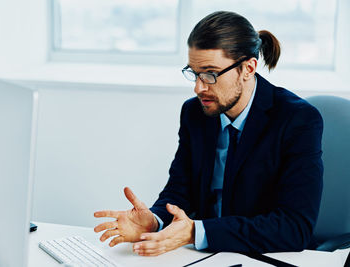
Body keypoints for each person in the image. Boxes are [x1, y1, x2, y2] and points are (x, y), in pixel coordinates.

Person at [94, 11, 323, 256]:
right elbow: (179, 191)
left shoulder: (298, 120)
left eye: (210, 74)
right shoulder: (194, 112)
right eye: (194, 73)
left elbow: (294, 228)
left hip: (264, 257)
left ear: (248, 68)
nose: (198, 87)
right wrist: (155, 221)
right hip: (204, 256)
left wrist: (197, 232)